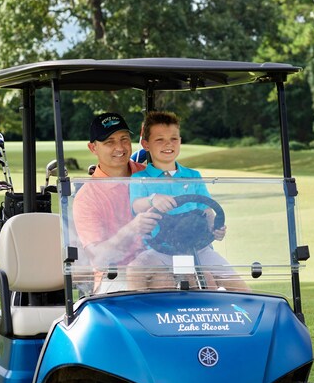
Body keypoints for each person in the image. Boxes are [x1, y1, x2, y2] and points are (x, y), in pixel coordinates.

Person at [127, 111, 248, 291]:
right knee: (135, 269)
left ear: (180, 141)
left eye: (174, 139)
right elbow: (137, 205)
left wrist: (215, 228)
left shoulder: (192, 176)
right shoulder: (140, 179)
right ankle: (133, 314)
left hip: (198, 248)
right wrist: (153, 200)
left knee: (238, 286)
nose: (168, 144)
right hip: (161, 249)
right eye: (160, 140)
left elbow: (207, 209)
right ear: (146, 144)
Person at [71, 112, 161, 293]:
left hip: (162, 265)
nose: (120, 147)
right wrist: (132, 228)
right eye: (109, 142)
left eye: (124, 139)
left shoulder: (151, 176)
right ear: (93, 148)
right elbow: (100, 259)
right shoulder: (87, 197)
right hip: (114, 275)